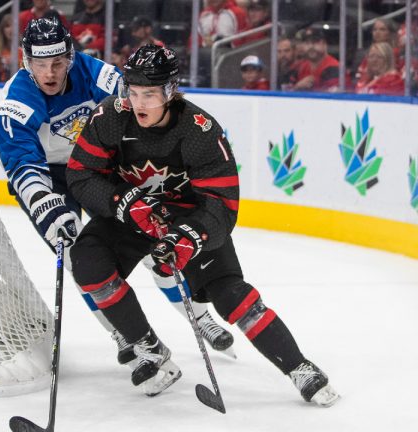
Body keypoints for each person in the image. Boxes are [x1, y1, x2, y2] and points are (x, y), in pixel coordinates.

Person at [66, 44, 340, 406]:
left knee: (231, 296)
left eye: (149, 94)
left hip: (188, 219)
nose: (139, 104)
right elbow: (81, 174)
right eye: (133, 93)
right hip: (130, 214)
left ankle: (299, 367)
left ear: (169, 91)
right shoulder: (110, 117)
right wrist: (123, 202)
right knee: (88, 264)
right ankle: (149, 349)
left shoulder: (199, 131)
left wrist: (188, 238)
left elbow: (221, 205)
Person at [0, 18, 234, 372]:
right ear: (26, 62)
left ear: (70, 56)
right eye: (40, 64)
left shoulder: (91, 70)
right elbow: (21, 162)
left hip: (97, 165)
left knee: (153, 235)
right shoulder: (15, 100)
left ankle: (200, 318)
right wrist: (43, 202)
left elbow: (133, 99)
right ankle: (123, 333)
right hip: (52, 176)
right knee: (79, 257)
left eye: (57, 62)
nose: (50, 72)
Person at [293, 28, 344, 92]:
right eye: (307, 43)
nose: (311, 47)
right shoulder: (302, 67)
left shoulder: (333, 68)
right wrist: (297, 86)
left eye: (315, 42)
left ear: (324, 44)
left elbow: (332, 98)